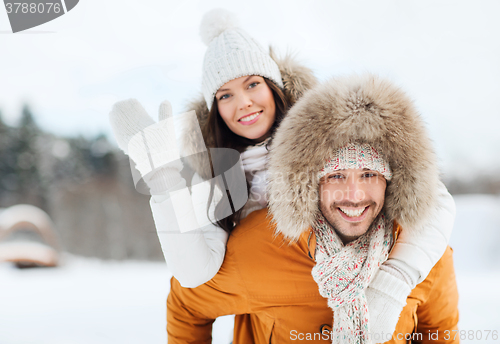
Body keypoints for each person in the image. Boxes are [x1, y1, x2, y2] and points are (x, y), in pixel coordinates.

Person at [109, 9, 455, 336]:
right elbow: (193, 274)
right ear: (215, 110)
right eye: (225, 94)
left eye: (252, 84)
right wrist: (164, 177)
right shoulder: (219, 180)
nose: (243, 101)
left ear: (274, 86)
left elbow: (433, 198)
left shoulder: (328, 135)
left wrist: (394, 280)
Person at [166, 74, 459, 343]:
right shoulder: (262, 244)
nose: (354, 196)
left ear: (391, 180)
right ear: (311, 183)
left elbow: (438, 333)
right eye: (336, 176)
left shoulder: (423, 250)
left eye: (369, 174)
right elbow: (187, 305)